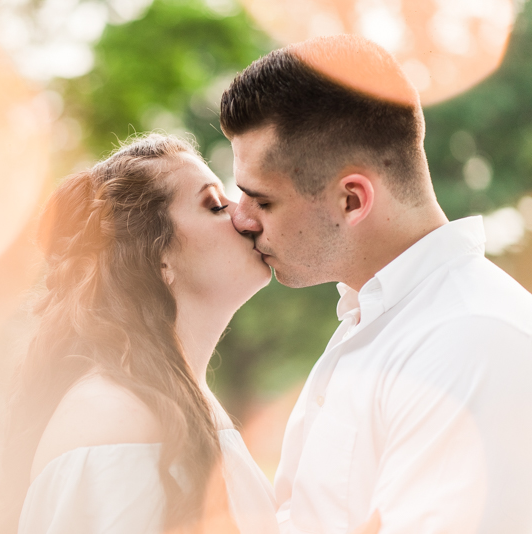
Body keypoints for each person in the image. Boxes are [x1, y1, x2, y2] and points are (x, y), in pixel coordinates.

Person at [220, 34, 532, 534]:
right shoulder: (372, 321)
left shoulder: (470, 342)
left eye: (263, 200)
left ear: (351, 200)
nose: (241, 219)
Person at [0, 134, 381, 534]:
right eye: (215, 204)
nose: (246, 217)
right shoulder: (115, 420)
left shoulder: (175, 404)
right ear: (157, 258)